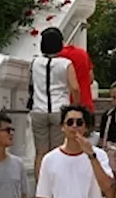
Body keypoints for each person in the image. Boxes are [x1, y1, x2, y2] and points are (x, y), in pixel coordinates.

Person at [29, 26, 80, 179]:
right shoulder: (65, 64)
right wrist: (75, 107)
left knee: (41, 152)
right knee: (58, 150)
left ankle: (41, 190)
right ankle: (57, 186)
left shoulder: (34, 62)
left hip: (38, 109)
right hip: (60, 109)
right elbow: (75, 88)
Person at [57, 39, 96, 110]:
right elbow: (91, 78)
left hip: (64, 103)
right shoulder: (82, 53)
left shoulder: (58, 57)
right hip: (85, 101)